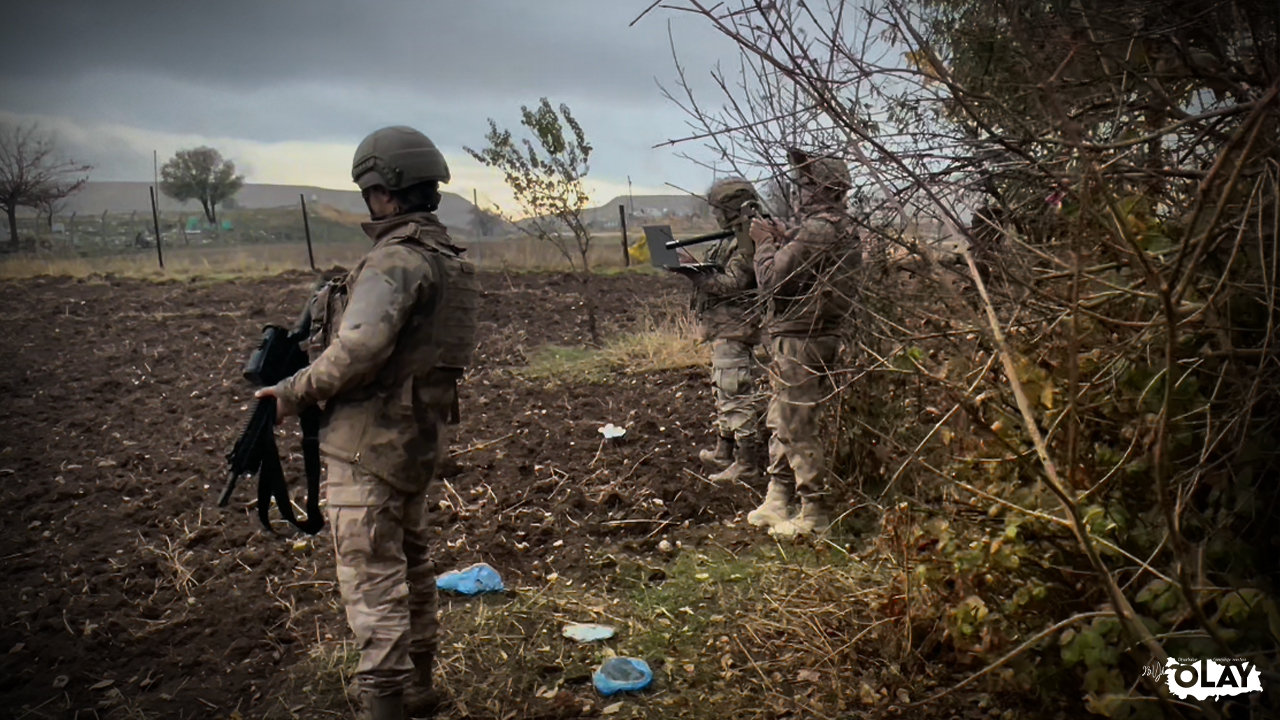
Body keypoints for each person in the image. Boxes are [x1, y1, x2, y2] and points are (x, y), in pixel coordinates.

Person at [256, 125, 480, 720]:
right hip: (413, 440)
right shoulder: (445, 259)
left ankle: (384, 705)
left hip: (368, 443)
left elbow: (357, 351)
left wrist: (292, 392)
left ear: (383, 189)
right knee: (410, 562)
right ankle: (420, 688)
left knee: (372, 578)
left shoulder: (395, 262)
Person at [747, 150, 858, 538]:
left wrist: (763, 243)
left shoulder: (819, 230)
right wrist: (785, 239)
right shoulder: (834, 227)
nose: (800, 191)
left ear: (822, 189)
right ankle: (779, 497)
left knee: (796, 424)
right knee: (783, 418)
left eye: (806, 184)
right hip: (810, 334)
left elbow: (771, 280)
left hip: (802, 338)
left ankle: (814, 513)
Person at [689, 177, 765, 483]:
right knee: (723, 388)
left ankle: (746, 463)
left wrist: (695, 276)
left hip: (736, 326)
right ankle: (725, 450)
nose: (715, 215)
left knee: (735, 392)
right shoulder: (733, 236)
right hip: (724, 326)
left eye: (719, 209)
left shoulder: (746, 239)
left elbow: (736, 283)